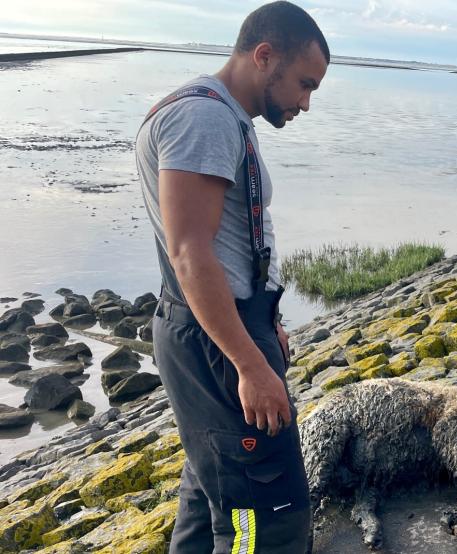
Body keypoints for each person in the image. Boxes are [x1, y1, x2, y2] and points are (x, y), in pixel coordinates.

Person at [134, 2, 329, 551]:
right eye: (303, 84)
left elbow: (230, 241)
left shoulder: (213, 112)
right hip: (217, 343)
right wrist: (248, 361)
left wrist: (267, 320)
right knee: (262, 516)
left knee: (213, 481)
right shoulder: (204, 119)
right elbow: (191, 254)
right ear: (264, 56)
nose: (306, 103)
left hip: (225, 325)